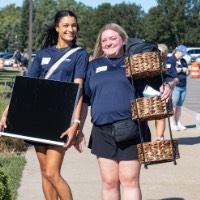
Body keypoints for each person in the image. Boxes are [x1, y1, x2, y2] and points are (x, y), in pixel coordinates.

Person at [75, 23, 172, 200]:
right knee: (109, 182)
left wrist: (167, 86)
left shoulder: (134, 63)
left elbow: (166, 79)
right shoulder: (93, 66)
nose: (108, 43)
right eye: (104, 40)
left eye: (113, 38)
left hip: (132, 129)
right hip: (102, 133)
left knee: (130, 181)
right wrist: (79, 129)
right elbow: (85, 101)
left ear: (123, 40)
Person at [0, 10, 88, 200]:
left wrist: (76, 124)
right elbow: (26, 86)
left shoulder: (80, 55)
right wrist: (7, 112)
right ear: (57, 28)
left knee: (52, 172)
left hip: (61, 119)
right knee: (44, 171)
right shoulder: (43, 54)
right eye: (65, 25)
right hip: (38, 118)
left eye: (73, 25)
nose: (70, 29)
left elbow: (78, 91)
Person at [168, 45, 190, 131]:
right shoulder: (171, 60)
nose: (183, 55)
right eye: (182, 53)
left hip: (183, 85)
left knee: (179, 106)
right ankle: (172, 123)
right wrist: (182, 70)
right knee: (173, 105)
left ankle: (179, 122)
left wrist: (187, 71)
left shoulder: (183, 60)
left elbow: (186, 72)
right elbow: (170, 70)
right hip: (175, 86)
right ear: (177, 51)